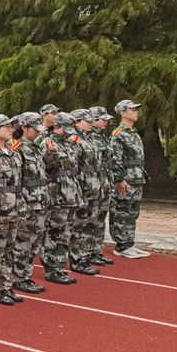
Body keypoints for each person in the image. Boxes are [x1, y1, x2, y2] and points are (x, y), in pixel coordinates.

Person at [0, 115, 24, 306]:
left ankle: (7, 286)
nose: (11, 130)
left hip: (14, 207)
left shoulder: (14, 153)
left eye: (11, 127)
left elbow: (19, 182)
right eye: (6, 127)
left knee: (9, 249)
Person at [42, 112, 81, 285]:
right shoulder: (47, 143)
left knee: (66, 234)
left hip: (72, 194)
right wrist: (51, 153)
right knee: (54, 233)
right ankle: (51, 267)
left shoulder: (72, 145)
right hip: (57, 195)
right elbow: (45, 168)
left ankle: (59, 265)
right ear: (57, 126)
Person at [12, 113, 48, 294]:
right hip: (27, 203)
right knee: (23, 242)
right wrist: (21, 205)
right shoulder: (17, 149)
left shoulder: (35, 148)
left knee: (35, 242)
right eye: (34, 129)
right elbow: (15, 181)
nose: (37, 133)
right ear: (24, 128)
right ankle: (19, 277)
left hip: (40, 201)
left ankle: (26, 275)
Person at [109, 100, 150, 258]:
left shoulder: (133, 133)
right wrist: (119, 179)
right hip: (126, 179)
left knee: (132, 212)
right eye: (132, 109)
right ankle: (121, 245)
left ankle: (129, 243)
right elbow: (115, 159)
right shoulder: (118, 134)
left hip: (137, 178)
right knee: (122, 212)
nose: (136, 112)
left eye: (136, 109)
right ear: (123, 113)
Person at [69, 109, 102, 275]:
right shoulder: (74, 140)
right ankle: (76, 259)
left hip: (93, 187)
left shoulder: (89, 139)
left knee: (89, 223)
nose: (90, 123)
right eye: (86, 121)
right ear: (76, 122)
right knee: (78, 225)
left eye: (91, 121)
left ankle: (85, 255)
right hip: (82, 187)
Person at [88, 106, 115, 266]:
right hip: (93, 184)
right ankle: (84, 253)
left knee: (100, 220)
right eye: (103, 119)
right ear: (93, 120)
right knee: (90, 220)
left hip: (105, 184)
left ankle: (96, 251)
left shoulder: (104, 138)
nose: (106, 122)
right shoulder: (87, 138)